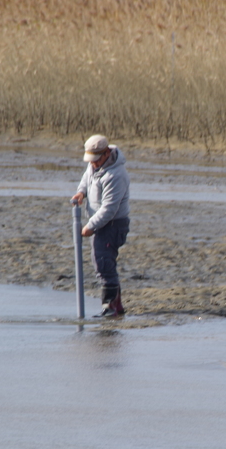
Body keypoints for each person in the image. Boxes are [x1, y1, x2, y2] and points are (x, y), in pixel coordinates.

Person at [70, 134, 131, 318]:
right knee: (102, 262)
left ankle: (110, 307)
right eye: (91, 161)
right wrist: (81, 192)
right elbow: (86, 179)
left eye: (96, 160)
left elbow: (109, 209)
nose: (93, 164)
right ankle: (116, 306)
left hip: (113, 225)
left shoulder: (116, 175)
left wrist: (90, 226)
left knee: (103, 264)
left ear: (106, 154)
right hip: (100, 224)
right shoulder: (94, 165)